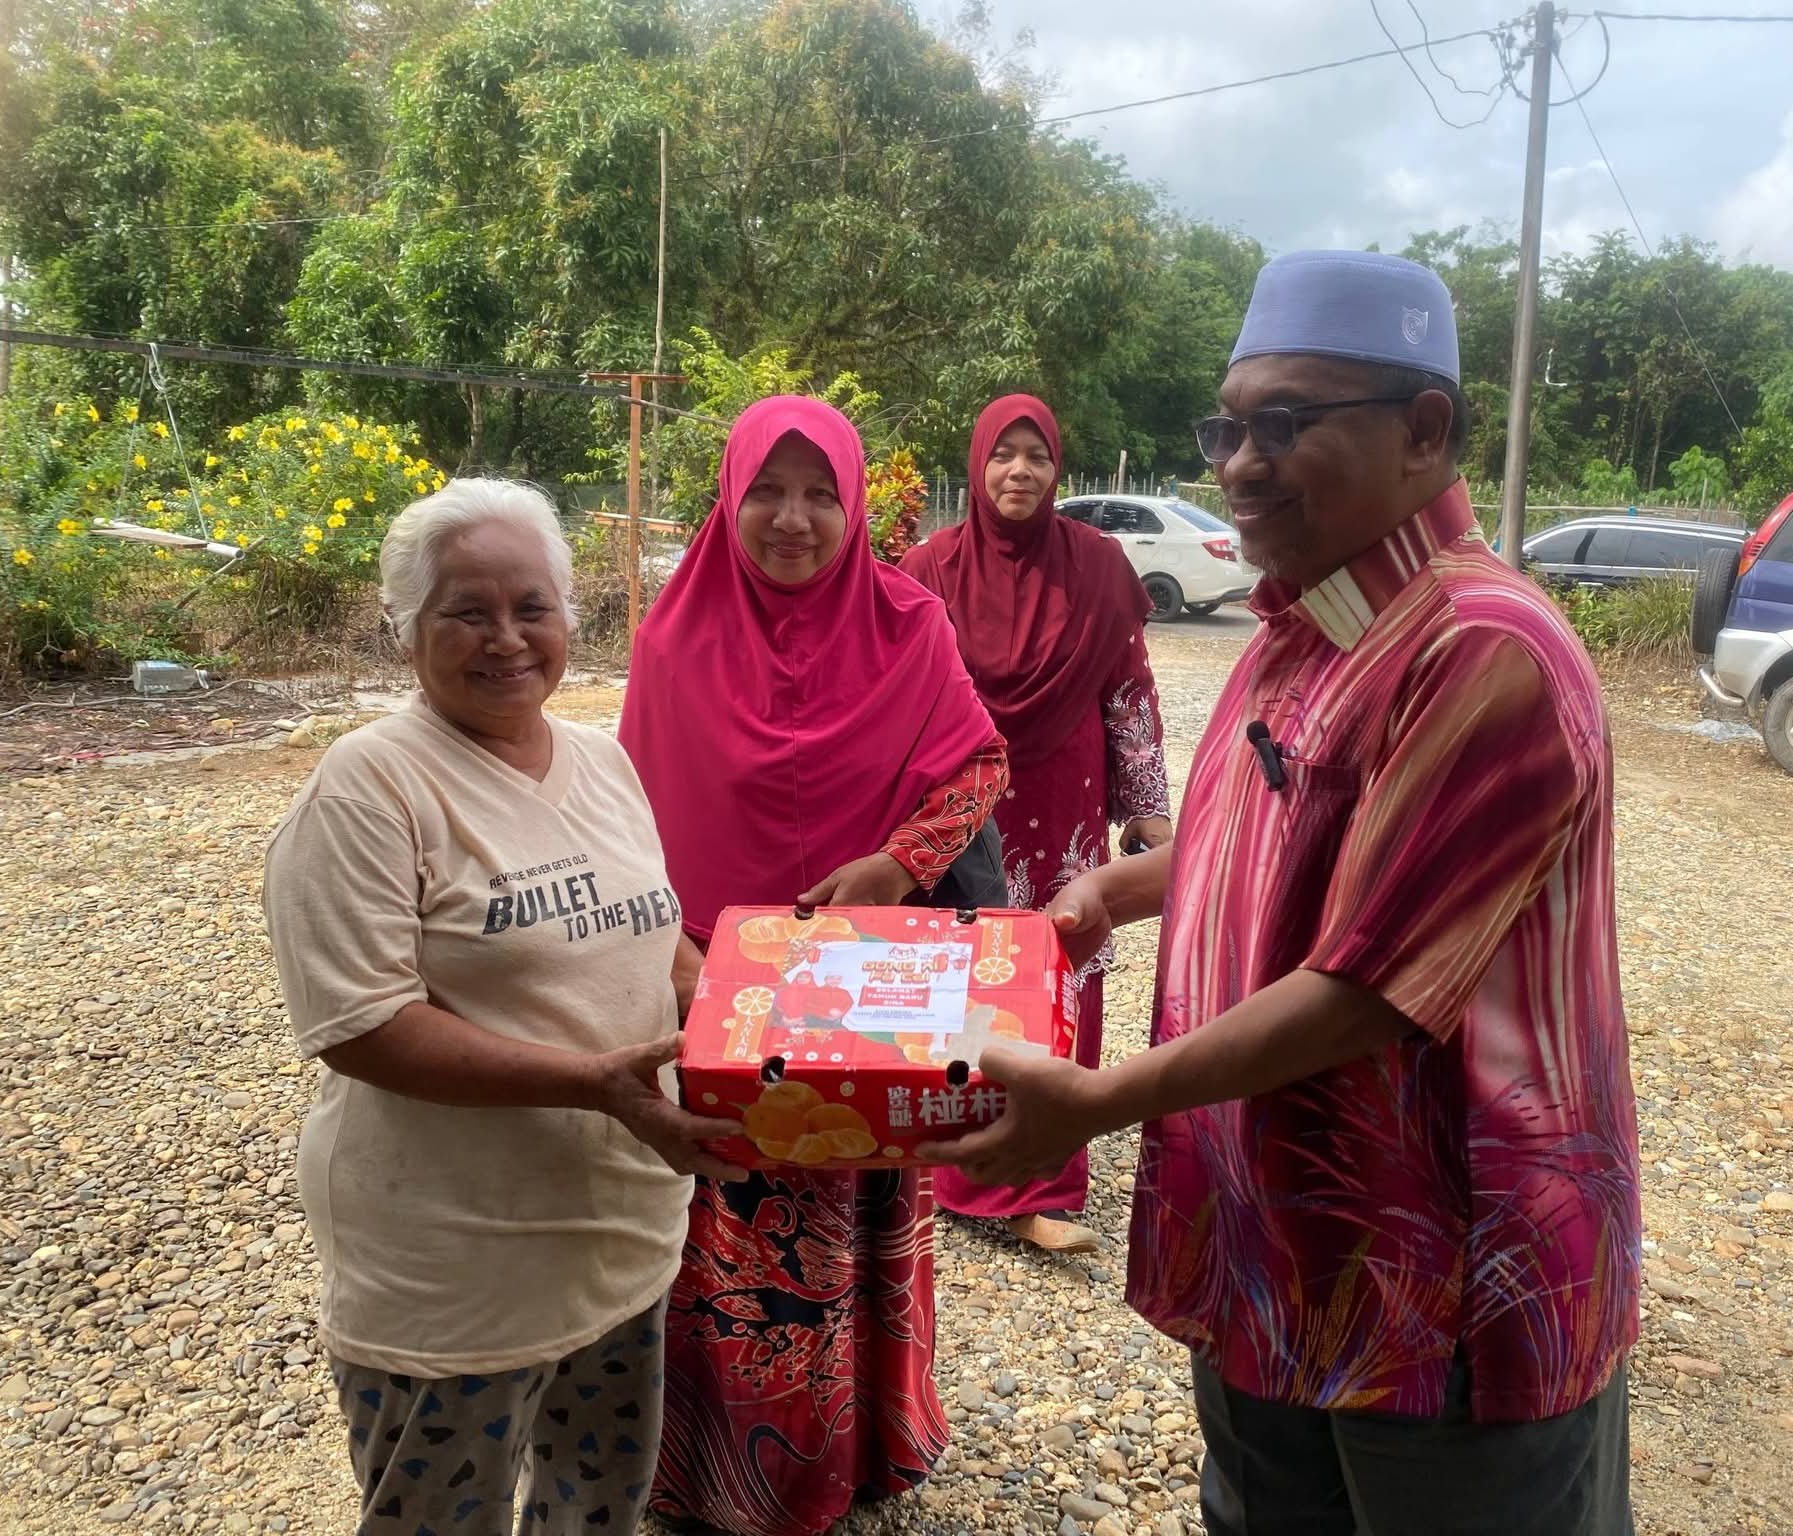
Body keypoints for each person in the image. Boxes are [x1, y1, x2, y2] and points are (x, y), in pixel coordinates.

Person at [926, 251, 1642, 1536]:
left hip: (1438, 1270)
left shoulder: (1479, 647)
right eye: (1228, 426)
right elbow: (1272, 838)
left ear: (1426, 429)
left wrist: (1092, 1107)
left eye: (1287, 423)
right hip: (1270, 1230)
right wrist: (1117, 889)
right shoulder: (1297, 626)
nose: (1240, 463)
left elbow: (1371, 983)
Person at [261, 479, 745, 1536]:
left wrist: (743, 1014)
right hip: (456, 1265)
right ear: (404, 633)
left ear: (571, 617)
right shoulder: (370, 788)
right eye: (465, 613)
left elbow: (655, 929)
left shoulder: (602, 761)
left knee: (595, 1504)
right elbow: (361, 1025)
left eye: (532, 607)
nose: (505, 639)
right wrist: (599, 1088)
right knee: (444, 1518)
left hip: (618, 1236)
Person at [618, 395, 1008, 1536]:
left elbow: (977, 767)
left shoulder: (908, 623)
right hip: (715, 989)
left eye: (818, 494)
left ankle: (856, 1450)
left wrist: (895, 864)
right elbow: (624, 811)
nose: (792, 520)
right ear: (729, 499)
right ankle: (708, 1471)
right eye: (766, 494)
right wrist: (672, 939)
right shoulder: (672, 633)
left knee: (850, 1203)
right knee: (720, 1225)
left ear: (851, 502)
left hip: (862, 988)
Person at [900, 393, 1173, 1254]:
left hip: (1061, 798)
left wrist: (1151, 808)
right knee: (966, 973)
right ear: (978, 465)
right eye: (1002, 455)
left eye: (1038, 456)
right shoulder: (927, 568)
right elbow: (896, 698)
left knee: (1059, 963)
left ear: (1058, 469)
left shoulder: (1094, 565)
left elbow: (1129, 690)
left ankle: (1043, 1184)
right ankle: (961, 1165)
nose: (1020, 471)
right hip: (960, 800)